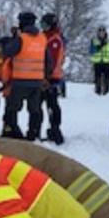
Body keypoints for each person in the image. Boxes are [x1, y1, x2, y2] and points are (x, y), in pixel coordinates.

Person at [0, 11, 49, 140]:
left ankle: (12, 133)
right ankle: (33, 133)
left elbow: (7, 52)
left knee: (12, 109)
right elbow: (49, 61)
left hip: (20, 80)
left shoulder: (21, 39)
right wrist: (44, 76)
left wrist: (7, 42)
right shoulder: (42, 39)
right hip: (37, 81)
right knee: (35, 110)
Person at [41, 12, 67, 144]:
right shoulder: (46, 37)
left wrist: (47, 76)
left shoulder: (54, 40)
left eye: (45, 25)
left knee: (52, 105)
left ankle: (56, 131)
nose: (42, 27)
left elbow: (53, 60)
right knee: (47, 105)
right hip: (46, 76)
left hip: (51, 77)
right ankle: (52, 129)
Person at [90, 26, 109, 96]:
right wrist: (98, 48)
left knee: (107, 78)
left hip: (106, 61)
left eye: (102, 32)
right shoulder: (94, 41)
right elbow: (91, 51)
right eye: (100, 32)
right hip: (97, 61)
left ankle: (106, 92)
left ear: (105, 33)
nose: (101, 34)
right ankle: (97, 92)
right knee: (97, 77)